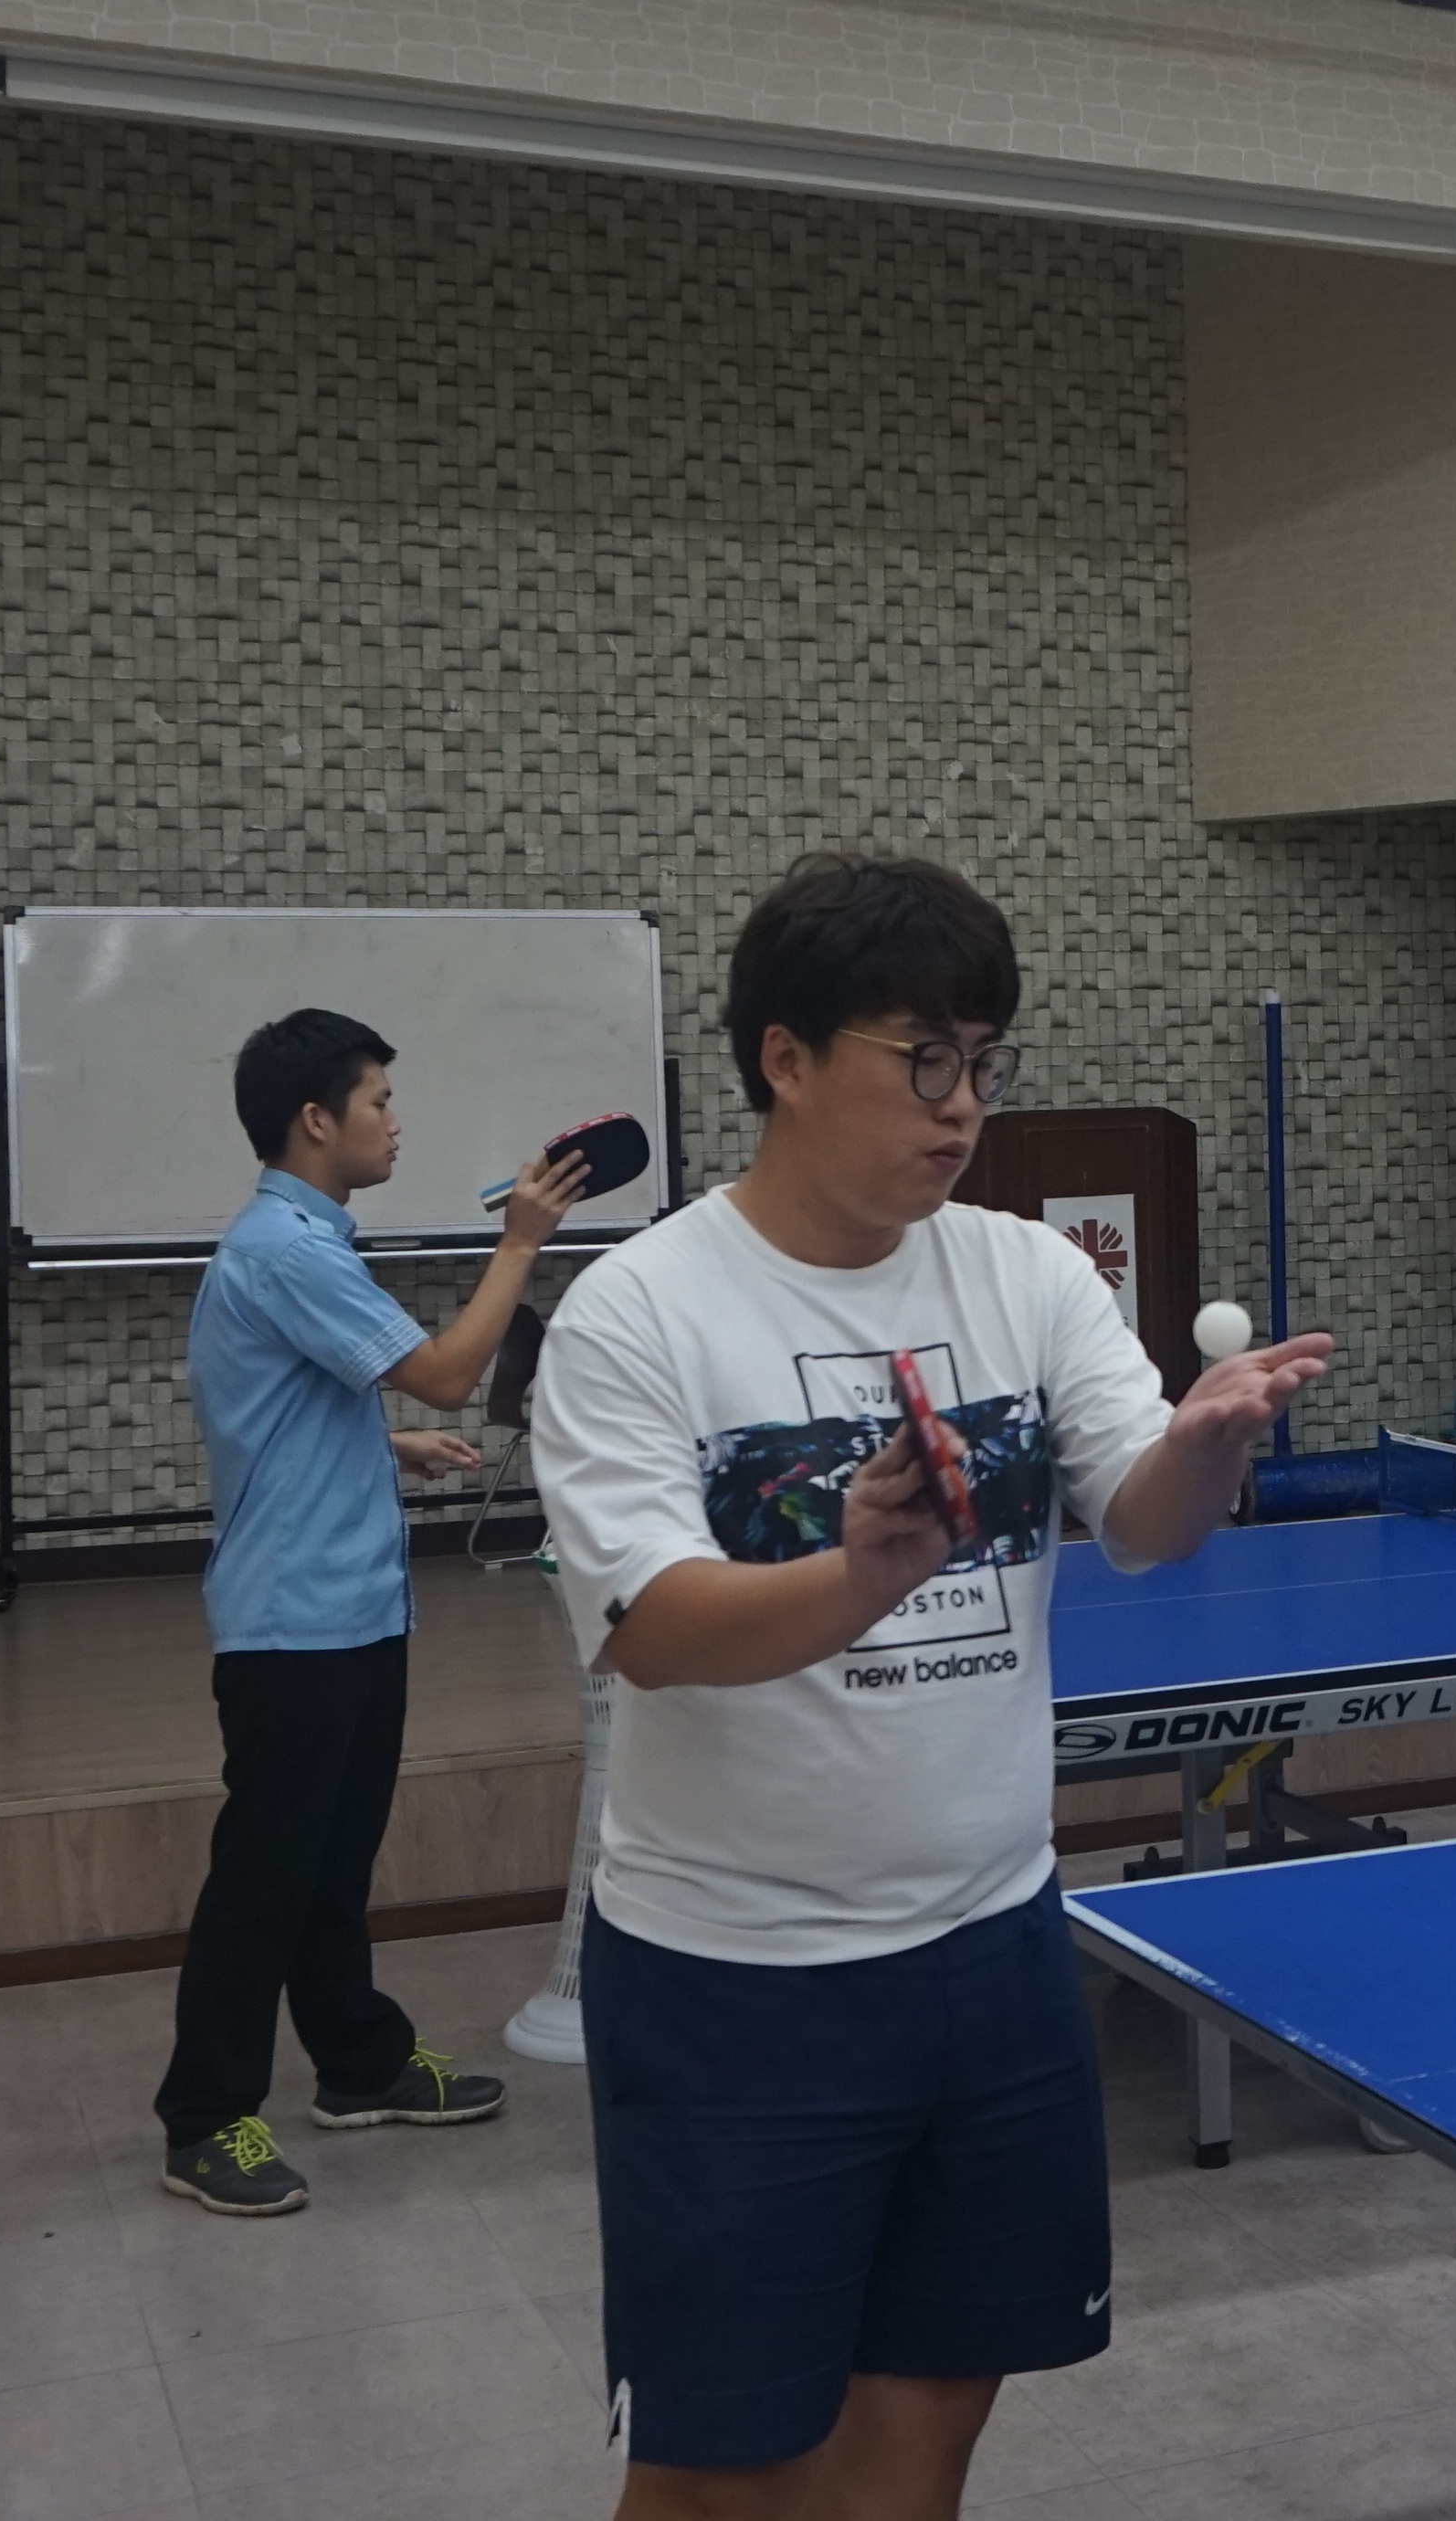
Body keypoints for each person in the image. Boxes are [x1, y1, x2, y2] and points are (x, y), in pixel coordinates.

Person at [529, 852, 1331, 2521]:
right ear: (785, 1058)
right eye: (923, 1059)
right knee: (723, 2461)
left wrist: (1207, 1444)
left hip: (992, 1943)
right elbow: (651, 1626)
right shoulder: (636, 1312)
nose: (963, 1103)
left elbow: (1143, 1525)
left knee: (938, 2400)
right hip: (738, 1974)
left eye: (982, 1060)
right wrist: (858, 1574)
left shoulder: (1029, 1274)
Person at [156, 1007, 587, 2216]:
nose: (396, 1123)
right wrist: (521, 1243)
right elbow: (447, 1371)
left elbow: (279, 1407)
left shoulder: (302, 1242)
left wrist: (387, 1446)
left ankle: (356, 2063)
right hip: (293, 1622)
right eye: (379, 1101)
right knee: (266, 1877)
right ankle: (205, 2118)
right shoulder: (285, 1249)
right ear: (316, 1119)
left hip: (350, 1609)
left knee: (332, 1864)